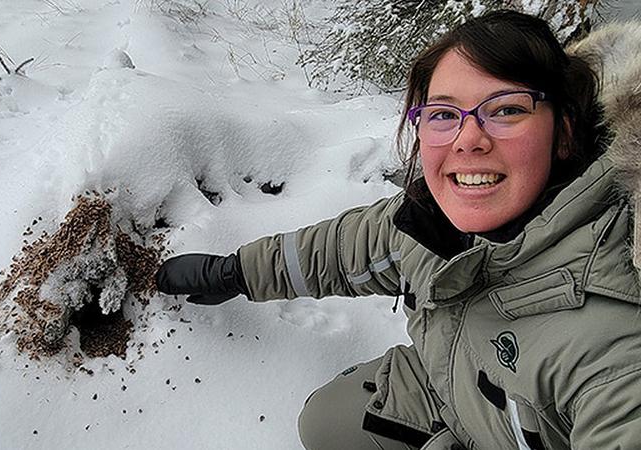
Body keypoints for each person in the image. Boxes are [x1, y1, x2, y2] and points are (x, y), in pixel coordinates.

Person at [155, 10, 641, 449]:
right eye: (444, 114)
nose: (468, 139)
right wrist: (235, 272)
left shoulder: (615, 350)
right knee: (326, 420)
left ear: (564, 133)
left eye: (506, 109)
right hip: (451, 384)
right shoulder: (435, 222)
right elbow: (350, 248)